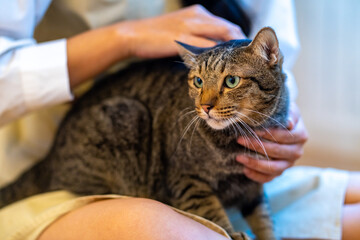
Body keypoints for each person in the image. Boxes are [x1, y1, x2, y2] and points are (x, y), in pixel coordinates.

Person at [0, 0, 358, 240]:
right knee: (154, 226)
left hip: (223, 181)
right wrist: (123, 39)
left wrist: (285, 129)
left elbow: (274, 64)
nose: (205, 103)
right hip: (70, 167)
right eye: (200, 85)